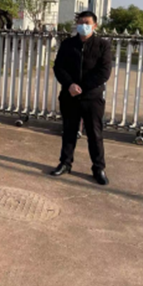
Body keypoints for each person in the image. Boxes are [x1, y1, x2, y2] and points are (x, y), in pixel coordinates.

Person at [52, 11, 112, 185]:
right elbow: (58, 67)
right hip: (69, 95)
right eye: (80, 22)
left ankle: (98, 168)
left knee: (94, 134)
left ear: (94, 25)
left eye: (87, 23)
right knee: (69, 131)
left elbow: (104, 72)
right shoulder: (68, 44)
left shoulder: (102, 45)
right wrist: (70, 85)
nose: (83, 26)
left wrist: (83, 87)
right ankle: (65, 163)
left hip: (92, 97)